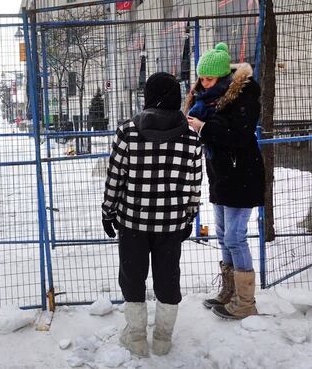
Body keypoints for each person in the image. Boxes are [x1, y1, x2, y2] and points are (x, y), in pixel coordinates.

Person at [102, 72, 203, 357]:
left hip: (133, 221)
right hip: (170, 224)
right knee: (168, 278)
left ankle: (135, 338)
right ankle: (162, 339)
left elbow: (115, 177)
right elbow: (193, 185)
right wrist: (189, 217)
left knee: (132, 277)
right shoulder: (191, 140)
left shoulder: (128, 132)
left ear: (147, 97)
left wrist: (109, 211)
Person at [185, 42, 265, 320]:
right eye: (201, 78)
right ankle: (229, 293)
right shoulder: (206, 101)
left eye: (208, 78)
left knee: (235, 236)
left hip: (242, 175)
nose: (203, 83)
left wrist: (204, 128)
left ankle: (245, 301)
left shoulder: (243, 97)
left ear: (222, 77)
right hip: (221, 176)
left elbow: (240, 137)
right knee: (223, 235)